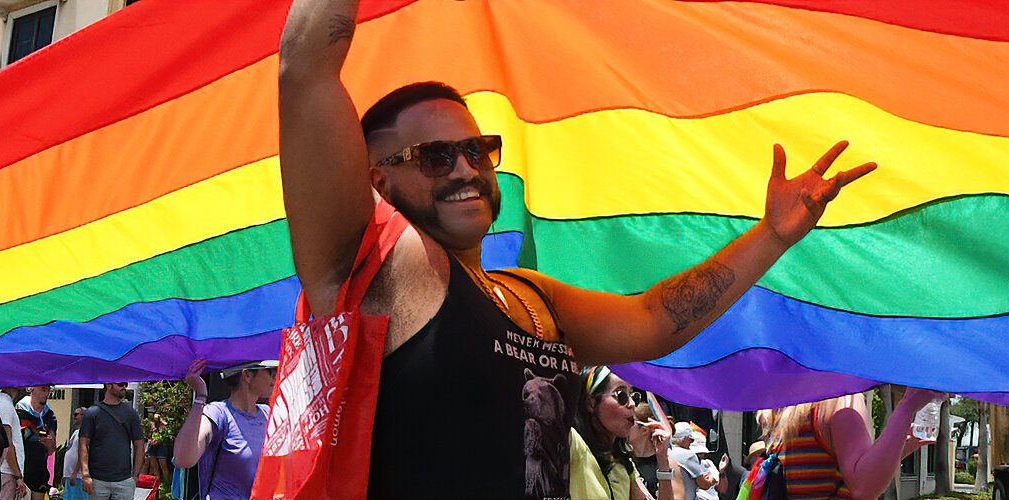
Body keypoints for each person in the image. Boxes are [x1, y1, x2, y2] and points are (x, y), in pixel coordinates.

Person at [277, 0, 878, 495]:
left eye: (478, 150)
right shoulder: (373, 269)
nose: (465, 168)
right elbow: (305, 70)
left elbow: (655, 319)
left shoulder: (531, 295)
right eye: (435, 156)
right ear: (376, 180)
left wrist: (770, 235)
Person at [765, 389, 943, 499]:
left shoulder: (787, 405)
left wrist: (898, 447)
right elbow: (863, 488)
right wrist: (908, 405)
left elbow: (818, 476)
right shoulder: (842, 400)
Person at [570, 366, 684, 500]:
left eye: (633, 396)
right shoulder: (573, 443)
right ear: (592, 403)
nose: (632, 404)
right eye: (621, 395)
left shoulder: (624, 464)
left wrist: (662, 460)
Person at [173, 359, 276, 500]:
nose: (276, 376)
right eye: (270, 371)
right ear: (247, 375)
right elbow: (183, 459)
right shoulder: (218, 413)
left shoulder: (268, 414)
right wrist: (200, 397)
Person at [77, 382, 145, 500]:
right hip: (98, 480)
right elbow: (83, 444)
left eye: (125, 384)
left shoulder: (131, 413)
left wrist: (135, 476)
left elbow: (139, 445)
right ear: (108, 385)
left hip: (124, 480)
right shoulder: (92, 413)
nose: (124, 387)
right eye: (120, 384)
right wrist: (85, 475)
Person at [18, 385, 58, 500]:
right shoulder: (19, 411)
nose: (46, 393)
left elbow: (52, 450)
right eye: (43, 389)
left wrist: (50, 445)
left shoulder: (49, 416)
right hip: (21, 469)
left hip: (39, 469)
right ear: (32, 388)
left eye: (48, 390)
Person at [670, 423, 720, 500]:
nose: (691, 442)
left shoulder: (666, 452)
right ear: (686, 438)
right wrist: (713, 479)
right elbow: (704, 484)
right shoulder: (688, 455)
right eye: (691, 439)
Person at [0, 387, 29, 500]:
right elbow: (7, 444)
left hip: (8, 471)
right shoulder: (4, 405)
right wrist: (18, 476)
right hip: (7, 472)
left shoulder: (6, 404)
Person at [61, 407, 88, 500]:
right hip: (70, 476)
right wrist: (65, 475)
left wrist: (75, 472)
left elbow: (84, 454)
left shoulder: (84, 434)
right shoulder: (76, 432)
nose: (74, 417)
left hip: (78, 477)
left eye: (76, 414)